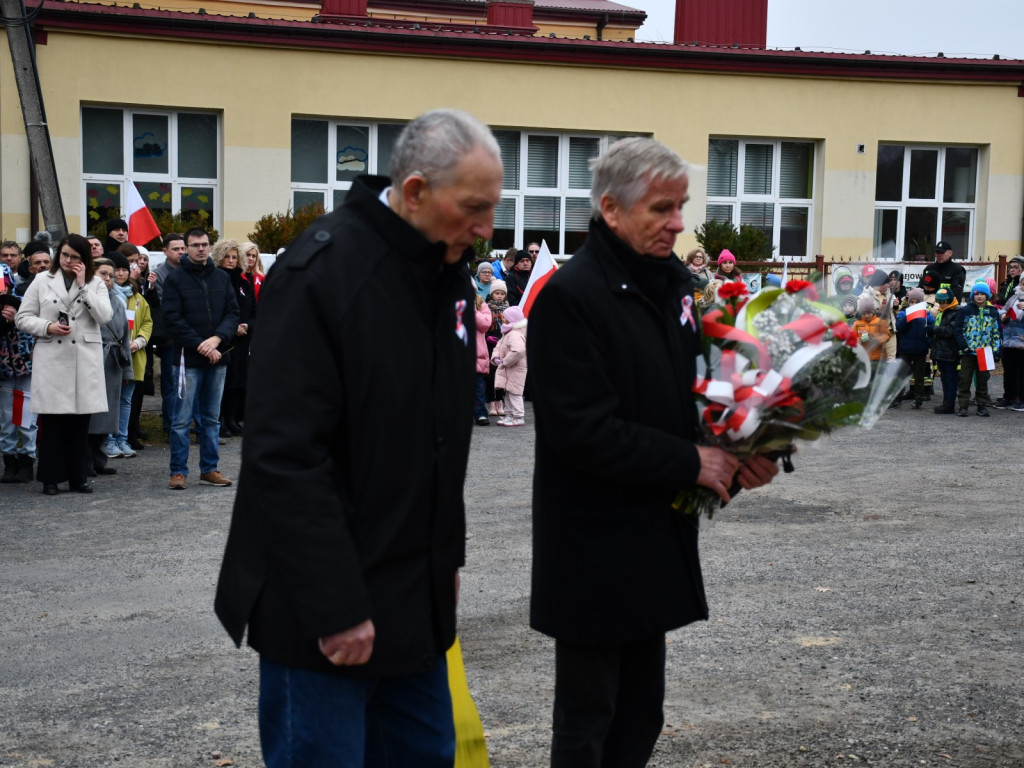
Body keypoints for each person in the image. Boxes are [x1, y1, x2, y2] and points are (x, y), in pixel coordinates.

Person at [214, 108, 503, 767]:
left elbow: (439, 438)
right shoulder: (321, 273)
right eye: (474, 207)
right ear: (416, 192)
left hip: (412, 599)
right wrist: (336, 605)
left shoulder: (444, 271)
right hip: (322, 613)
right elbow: (284, 458)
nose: (487, 228)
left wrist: (445, 559)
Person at [527, 137, 778, 768]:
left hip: (654, 536)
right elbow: (579, 429)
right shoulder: (571, 296)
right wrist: (695, 463)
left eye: (681, 207)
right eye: (661, 208)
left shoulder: (673, 289)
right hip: (592, 548)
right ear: (611, 209)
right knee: (589, 723)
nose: (677, 222)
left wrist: (747, 449)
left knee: (641, 716)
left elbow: (687, 402)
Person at [15, 234, 113, 495]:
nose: (69, 261)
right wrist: (47, 326)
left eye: (75, 257)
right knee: (53, 423)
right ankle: (50, 478)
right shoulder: (41, 280)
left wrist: (83, 287)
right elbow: (22, 318)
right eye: (65, 255)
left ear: (85, 260)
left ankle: (78, 477)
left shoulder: (95, 282)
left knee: (80, 424)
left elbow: (105, 317)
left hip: (84, 359)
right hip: (53, 357)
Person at [162, 227, 239, 490]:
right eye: (194, 245)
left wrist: (217, 339)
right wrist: (202, 346)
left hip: (219, 358)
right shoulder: (175, 279)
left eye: (204, 244)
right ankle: (178, 471)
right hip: (188, 361)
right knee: (182, 419)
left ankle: (210, 469)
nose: (201, 249)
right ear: (185, 248)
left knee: (211, 418)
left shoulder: (221, 277)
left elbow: (232, 313)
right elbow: (172, 319)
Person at [90, 257, 134, 468]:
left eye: (110, 274)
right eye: (102, 274)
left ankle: (99, 459)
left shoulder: (117, 301)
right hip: (92, 361)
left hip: (113, 363)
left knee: (108, 413)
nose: (108, 279)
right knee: (91, 415)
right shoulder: (86, 299)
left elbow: (124, 336)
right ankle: (86, 461)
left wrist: (127, 371)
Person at [212, 238, 253, 437]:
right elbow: (217, 309)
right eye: (227, 257)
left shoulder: (245, 281)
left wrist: (248, 325)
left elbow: (254, 310)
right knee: (224, 381)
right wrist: (231, 327)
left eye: (234, 257)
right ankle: (220, 420)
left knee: (238, 380)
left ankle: (232, 418)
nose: (231, 261)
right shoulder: (216, 279)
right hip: (224, 339)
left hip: (243, 338)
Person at [0, 271, 36, 482]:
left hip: (27, 367)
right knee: (6, 418)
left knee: (27, 417)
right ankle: (9, 460)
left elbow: (33, 329)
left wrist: (16, 319)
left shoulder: (24, 302)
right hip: (4, 371)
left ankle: (27, 459)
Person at [153, 233, 186, 433]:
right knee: (171, 383)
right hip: (170, 337)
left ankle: (186, 422)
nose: (181, 252)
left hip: (191, 336)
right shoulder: (159, 274)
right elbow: (166, 304)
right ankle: (171, 425)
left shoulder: (191, 271)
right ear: (165, 251)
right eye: (176, 249)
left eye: (183, 248)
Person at [953, 282, 1001, 417]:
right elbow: (958, 330)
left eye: (982, 294)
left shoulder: (992, 312)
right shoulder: (965, 310)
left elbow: (997, 333)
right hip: (968, 351)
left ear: (987, 296)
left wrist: (996, 351)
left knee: (982, 380)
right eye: (977, 294)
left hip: (985, 352)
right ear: (973, 295)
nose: (979, 297)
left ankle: (981, 406)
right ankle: (963, 407)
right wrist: (964, 346)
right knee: (965, 379)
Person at [893, 288, 933, 409]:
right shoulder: (903, 314)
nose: (914, 304)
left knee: (919, 376)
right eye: (912, 302)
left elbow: (932, 327)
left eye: (917, 302)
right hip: (905, 349)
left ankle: (918, 398)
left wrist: (928, 343)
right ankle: (897, 397)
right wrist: (908, 317)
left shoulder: (926, 315)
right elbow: (899, 327)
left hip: (920, 350)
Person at [491, 304, 527, 427]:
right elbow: (499, 345)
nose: (503, 318)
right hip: (510, 367)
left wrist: (505, 361)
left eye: (505, 317)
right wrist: (496, 357)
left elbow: (518, 350)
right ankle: (509, 414)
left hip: (515, 368)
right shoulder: (508, 332)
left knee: (515, 392)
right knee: (508, 391)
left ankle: (518, 416)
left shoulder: (515, 334)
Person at [929, 288, 961, 414]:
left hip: (950, 351)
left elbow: (949, 331)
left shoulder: (957, 312)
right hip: (941, 351)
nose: (941, 305)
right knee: (944, 378)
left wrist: (933, 329)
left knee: (950, 378)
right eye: (939, 302)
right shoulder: (943, 312)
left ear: (950, 300)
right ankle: (946, 402)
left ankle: (949, 404)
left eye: (944, 302)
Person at [997, 279, 1024, 410]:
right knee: (1009, 371)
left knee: (1022, 372)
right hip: (1009, 340)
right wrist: (1003, 316)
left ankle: (1022, 399)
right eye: (1023, 282)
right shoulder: (1014, 297)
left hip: (1022, 342)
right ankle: (1008, 396)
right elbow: (1003, 310)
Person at [859, 269, 896, 361]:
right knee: (875, 358)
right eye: (887, 283)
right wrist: (877, 311)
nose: (889, 285)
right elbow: (859, 313)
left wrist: (896, 306)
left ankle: (889, 376)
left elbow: (895, 311)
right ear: (881, 283)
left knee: (891, 359)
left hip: (890, 332)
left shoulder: (890, 294)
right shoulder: (864, 296)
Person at [485, 279, 509, 417]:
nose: (499, 296)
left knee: (502, 375)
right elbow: (482, 326)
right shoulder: (487, 308)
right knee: (490, 376)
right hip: (490, 346)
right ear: (492, 294)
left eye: (501, 293)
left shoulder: (508, 309)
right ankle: (491, 401)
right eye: (496, 293)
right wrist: (488, 336)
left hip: (504, 346)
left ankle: (499, 400)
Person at [473, 295, 492, 426]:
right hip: (457, 353)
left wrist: (473, 310)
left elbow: (485, 325)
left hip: (477, 354)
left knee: (478, 388)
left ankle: (480, 414)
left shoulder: (481, 304)